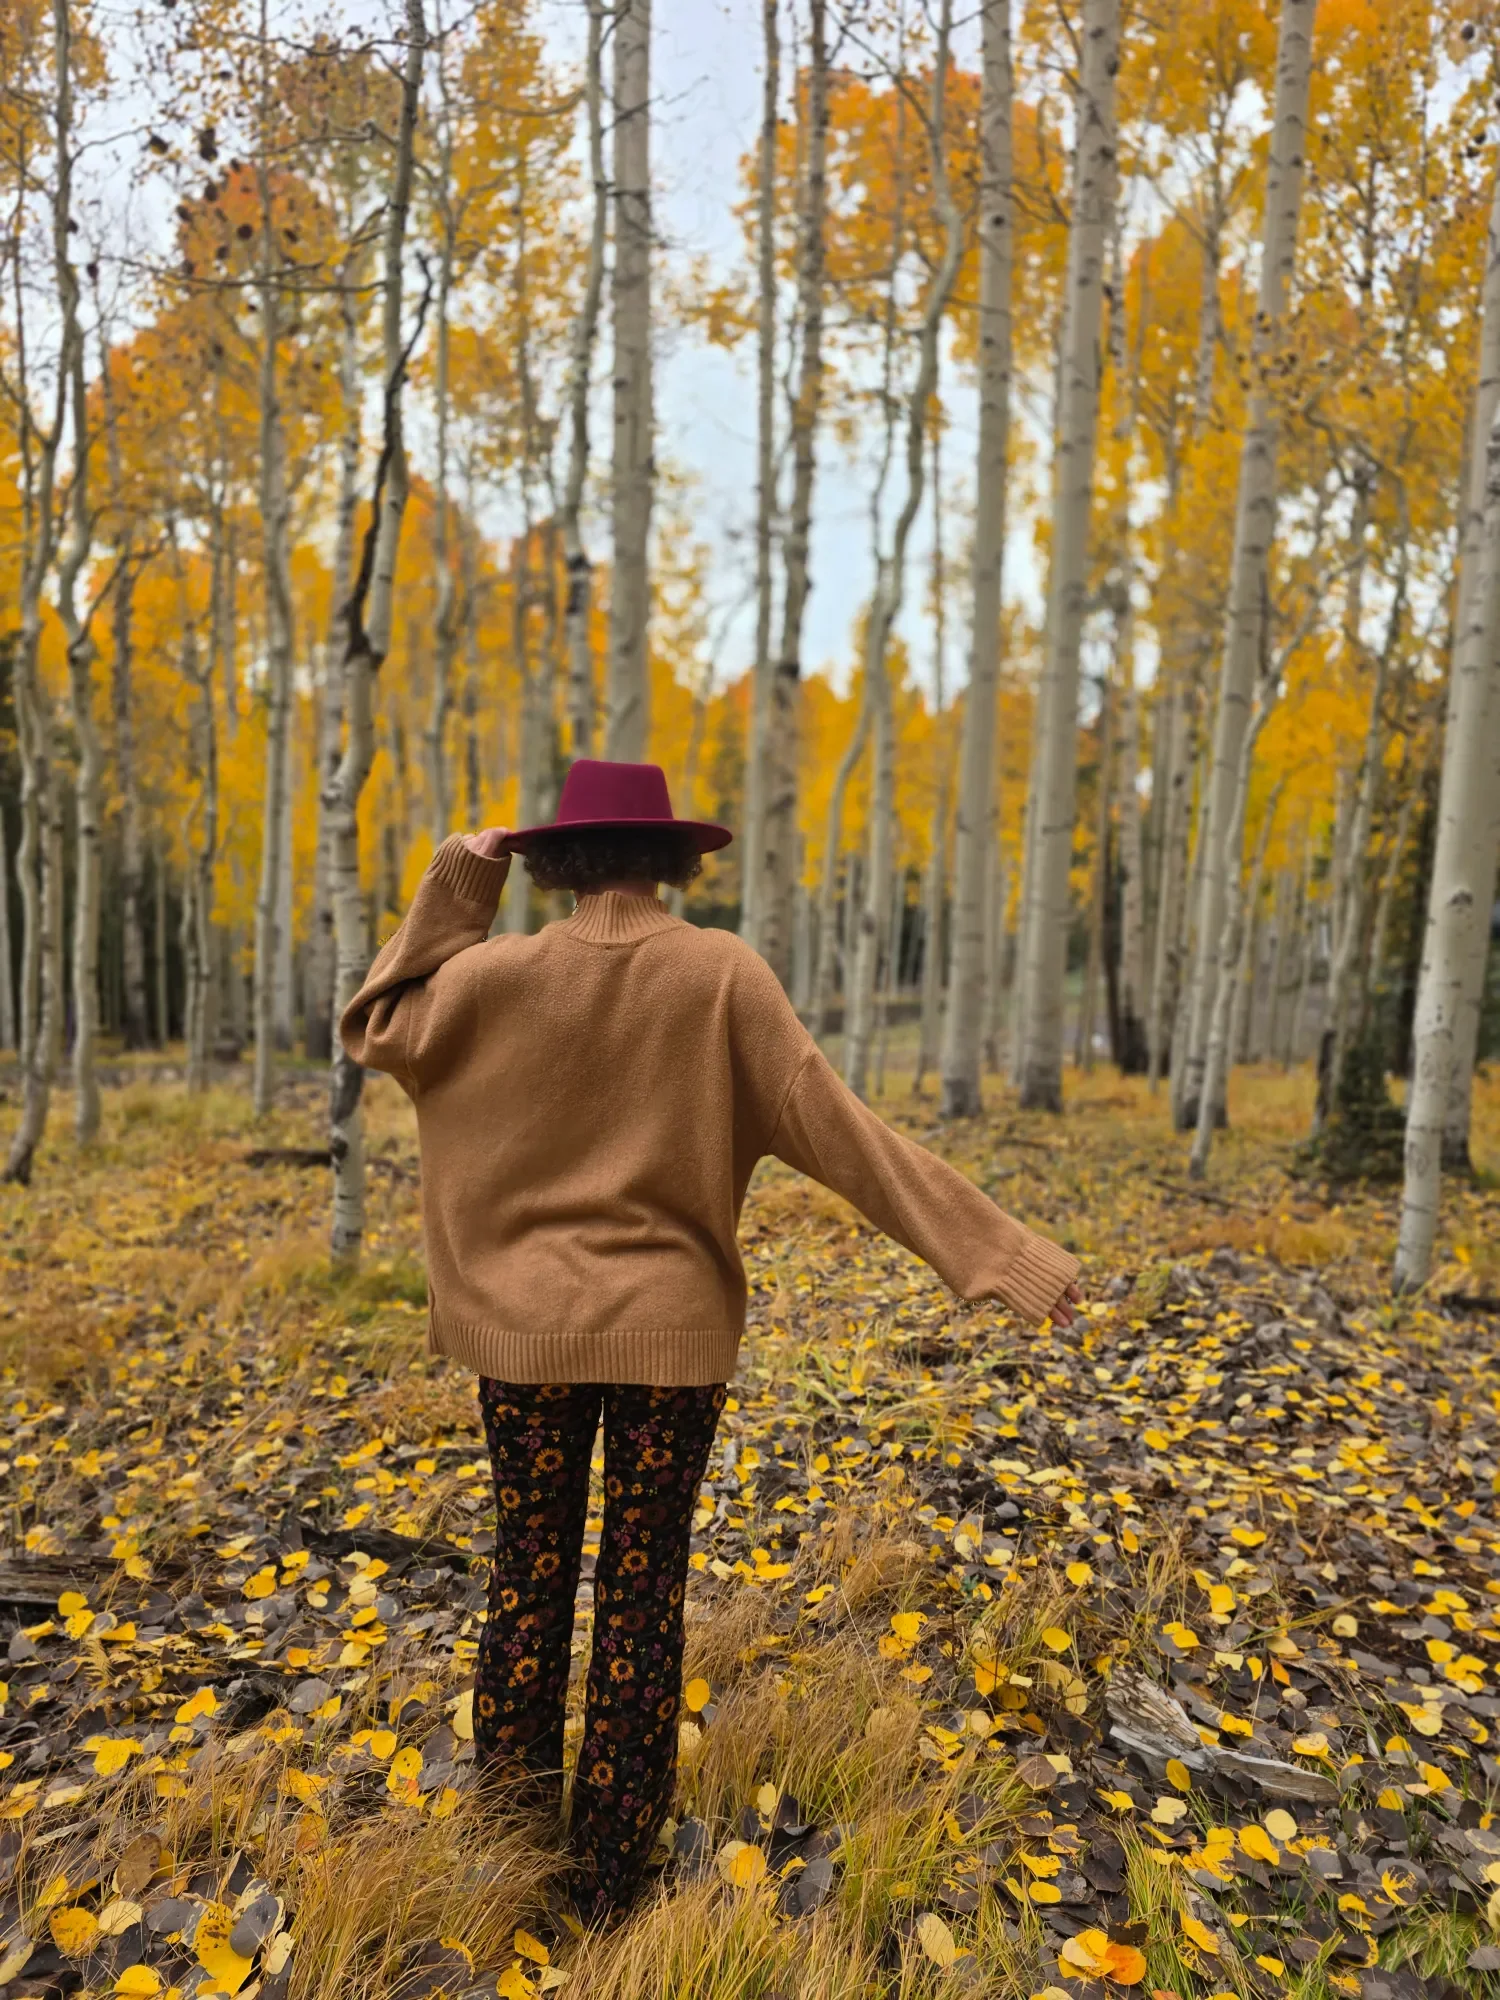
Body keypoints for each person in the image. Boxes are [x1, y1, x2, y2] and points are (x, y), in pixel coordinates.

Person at [340, 758, 1081, 1925]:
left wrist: (459, 882)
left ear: (555, 857)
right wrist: (994, 1251)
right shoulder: (720, 972)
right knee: (642, 1589)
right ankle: (609, 1879)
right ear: (676, 855)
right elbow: (846, 1136)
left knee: (529, 1573)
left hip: (520, 1334)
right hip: (667, 1342)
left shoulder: (489, 976)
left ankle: (509, 1836)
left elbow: (375, 1022)